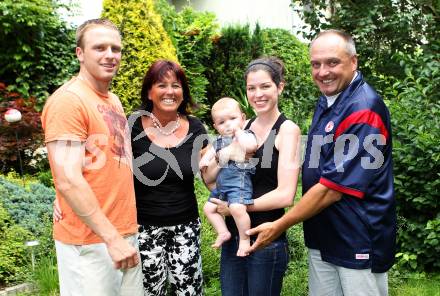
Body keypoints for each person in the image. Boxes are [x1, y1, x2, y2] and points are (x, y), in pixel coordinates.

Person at [247, 30, 396, 296]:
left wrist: (279, 225)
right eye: (316, 64)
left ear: (354, 61)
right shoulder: (328, 101)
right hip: (323, 236)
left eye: (332, 62)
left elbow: (331, 188)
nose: (323, 72)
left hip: (357, 239)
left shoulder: (364, 109)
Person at [41, 19, 143, 295]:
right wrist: (112, 239)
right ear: (80, 53)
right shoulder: (68, 101)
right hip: (91, 241)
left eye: (116, 48)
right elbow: (68, 180)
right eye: (99, 47)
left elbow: (97, 162)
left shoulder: (113, 100)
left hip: (123, 232)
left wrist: (120, 238)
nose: (110, 55)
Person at [203, 57, 301, 295]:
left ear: (279, 86)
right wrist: (223, 155)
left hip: (266, 237)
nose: (258, 94)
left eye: (265, 86)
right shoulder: (241, 127)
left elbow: (285, 196)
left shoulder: (287, 130)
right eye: (251, 88)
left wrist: (236, 207)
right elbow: (210, 180)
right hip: (233, 236)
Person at [129, 60, 208, 295]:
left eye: (176, 85)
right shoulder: (131, 125)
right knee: (149, 292)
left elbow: (210, 177)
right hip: (143, 228)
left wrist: (229, 156)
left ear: (183, 92)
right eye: (162, 85)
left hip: (185, 225)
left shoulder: (196, 127)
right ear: (149, 91)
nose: (170, 92)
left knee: (189, 291)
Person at [200, 97, 258, 256]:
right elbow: (212, 153)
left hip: (239, 184)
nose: (228, 124)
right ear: (215, 127)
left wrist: (239, 133)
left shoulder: (247, 134)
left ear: (243, 118)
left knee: (237, 208)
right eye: (221, 122)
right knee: (208, 208)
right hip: (222, 186)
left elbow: (252, 146)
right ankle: (223, 232)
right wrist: (205, 160)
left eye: (233, 119)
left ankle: (245, 240)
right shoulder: (219, 140)